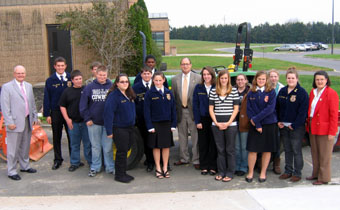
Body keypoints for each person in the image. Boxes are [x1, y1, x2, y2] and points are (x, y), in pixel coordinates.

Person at [1, 65, 39, 181]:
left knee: (25, 145)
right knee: (13, 149)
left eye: (23, 73)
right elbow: (5, 106)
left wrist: (34, 116)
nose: (21, 75)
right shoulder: (7, 87)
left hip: (27, 120)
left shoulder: (28, 86)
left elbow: (31, 103)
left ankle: (25, 166)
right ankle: (11, 171)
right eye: (18, 73)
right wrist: (9, 122)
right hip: (14, 123)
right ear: (14, 74)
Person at [79, 65, 115, 177]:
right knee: (95, 147)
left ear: (107, 75)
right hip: (93, 123)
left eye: (104, 75)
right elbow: (83, 105)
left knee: (108, 147)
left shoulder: (112, 86)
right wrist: (87, 118)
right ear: (96, 74)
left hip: (108, 123)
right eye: (100, 75)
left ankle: (110, 167)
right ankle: (95, 167)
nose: (102, 77)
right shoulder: (89, 87)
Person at [276, 67, 309, 182]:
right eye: (288, 78)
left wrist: (294, 125)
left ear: (297, 79)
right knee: (287, 149)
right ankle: (288, 171)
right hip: (283, 126)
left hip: (296, 127)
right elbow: (278, 108)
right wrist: (279, 121)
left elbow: (303, 112)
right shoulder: (283, 91)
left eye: (293, 78)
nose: (290, 80)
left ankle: (297, 173)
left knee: (296, 150)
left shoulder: (302, 93)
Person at [306, 71, 339, 185]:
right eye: (317, 79)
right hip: (313, 125)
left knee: (324, 154)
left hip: (325, 128)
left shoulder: (331, 93)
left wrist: (332, 131)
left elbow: (334, 114)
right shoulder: (313, 92)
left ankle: (324, 177)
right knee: (315, 152)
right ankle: (316, 174)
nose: (319, 82)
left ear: (326, 80)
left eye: (321, 79)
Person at [246, 71, 278, 183]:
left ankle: (263, 173)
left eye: (263, 79)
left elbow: (269, 109)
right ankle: (250, 172)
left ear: (267, 80)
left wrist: (256, 120)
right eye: (259, 79)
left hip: (268, 124)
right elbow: (249, 110)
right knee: (252, 150)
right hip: (255, 125)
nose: (261, 81)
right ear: (256, 80)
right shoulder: (251, 93)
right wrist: (257, 124)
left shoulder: (271, 92)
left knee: (266, 150)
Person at [104, 73, 136, 183]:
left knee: (126, 148)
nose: (125, 83)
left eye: (126, 81)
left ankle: (123, 172)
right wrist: (109, 131)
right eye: (122, 81)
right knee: (121, 152)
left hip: (129, 127)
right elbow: (108, 114)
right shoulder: (113, 96)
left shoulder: (129, 94)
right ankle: (119, 175)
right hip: (119, 128)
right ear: (117, 83)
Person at [144, 71, 176, 179]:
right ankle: (158, 167)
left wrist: (173, 124)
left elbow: (173, 110)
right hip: (155, 124)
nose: (158, 82)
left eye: (160, 80)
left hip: (166, 123)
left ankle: (165, 167)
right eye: (156, 80)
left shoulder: (168, 92)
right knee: (156, 147)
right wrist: (149, 126)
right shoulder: (149, 93)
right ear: (153, 81)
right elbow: (146, 111)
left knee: (166, 146)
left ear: (164, 80)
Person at [209, 70, 239, 182]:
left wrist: (228, 123)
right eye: (222, 78)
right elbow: (211, 109)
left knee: (230, 149)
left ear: (228, 79)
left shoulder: (234, 91)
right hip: (216, 125)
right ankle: (221, 171)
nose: (223, 80)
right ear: (218, 79)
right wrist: (216, 123)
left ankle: (230, 172)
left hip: (230, 125)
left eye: (225, 78)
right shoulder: (213, 92)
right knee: (220, 150)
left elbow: (236, 108)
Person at [59, 70, 92, 172]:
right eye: (76, 79)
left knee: (88, 144)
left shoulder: (86, 89)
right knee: (74, 144)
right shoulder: (67, 92)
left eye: (80, 79)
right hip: (73, 123)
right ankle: (75, 162)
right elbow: (62, 106)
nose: (79, 81)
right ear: (72, 80)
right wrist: (67, 119)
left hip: (85, 122)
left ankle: (91, 162)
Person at [171, 57, 201, 169]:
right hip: (181, 111)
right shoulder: (175, 79)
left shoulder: (197, 78)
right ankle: (184, 158)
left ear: (191, 65)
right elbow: (174, 97)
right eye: (183, 64)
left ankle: (196, 159)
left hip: (193, 111)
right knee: (182, 136)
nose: (185, 66)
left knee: (195, 136)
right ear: (180, 66)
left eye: (187, 64)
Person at [43, 57, 72, 170]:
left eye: (62, 65)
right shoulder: (50, 80)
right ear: (54, 67)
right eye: (58, 66)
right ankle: (57, 159)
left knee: (71, 136)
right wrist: (47, 114)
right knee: (56, 137)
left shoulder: (70, 78)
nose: (60, 67)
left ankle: (73, 159)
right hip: (56, 112)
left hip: (69, 112)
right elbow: (47, 98)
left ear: (65, 66)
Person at [192, 66, 217, 176]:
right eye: (204, 74)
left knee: (213, 143)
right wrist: (198, 121)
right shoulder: (199, 88)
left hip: (214, 119)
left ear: (212, 75)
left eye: (208, 74)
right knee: (203, 143)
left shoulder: (217, 87)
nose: (206, 76)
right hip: (202, 119)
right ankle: (204, 166)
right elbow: (195, 105)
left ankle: (213, 166)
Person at [132, 66, 155, 172]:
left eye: (148, 73)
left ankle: (159, 161)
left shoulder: (156, 84)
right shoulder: (136, 88)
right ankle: (150, 162)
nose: (146, 75)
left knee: (156, 140)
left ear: (151, 75)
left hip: (156, 119)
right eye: (144, 73)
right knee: (146, 141)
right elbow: (134, 104)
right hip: (142, 120)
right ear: (141, 75)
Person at [234, 74, 251, 176]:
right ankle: (236, 165)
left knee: (244, 146)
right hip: (234, 122)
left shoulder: (249, 92)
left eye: (242, 80)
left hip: (245, 123)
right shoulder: (232, 91)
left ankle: (244, 167)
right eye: (238, 80)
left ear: (245, 81)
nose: (240, 82)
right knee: (236, 146)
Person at [269, 69, 285, 174]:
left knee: (277, 142)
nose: (273, 78)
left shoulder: (282, 89)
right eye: (271, 76)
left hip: (278, 120)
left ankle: (276, 163)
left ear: (278, 77)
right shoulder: (265, 88)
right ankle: (263, 161)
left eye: (275, 76)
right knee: (266, 142)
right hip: (267, 120)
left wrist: (281, 120)